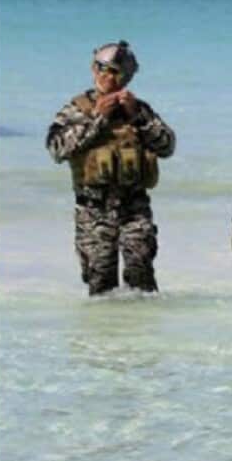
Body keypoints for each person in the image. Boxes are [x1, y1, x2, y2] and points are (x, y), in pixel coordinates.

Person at [46, 40, 176, 295]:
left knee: (142, 282)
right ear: (93, 69)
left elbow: (167, 146)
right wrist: (97, 118)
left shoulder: (138, 110)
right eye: (101, 68)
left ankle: (140, 334)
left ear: (126, 77)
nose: (106, 76)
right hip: (93, 210)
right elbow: (57, 149)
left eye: (114, 71)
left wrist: (138, 116)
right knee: (100, 286)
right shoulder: (77, 109)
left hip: (134, 208)